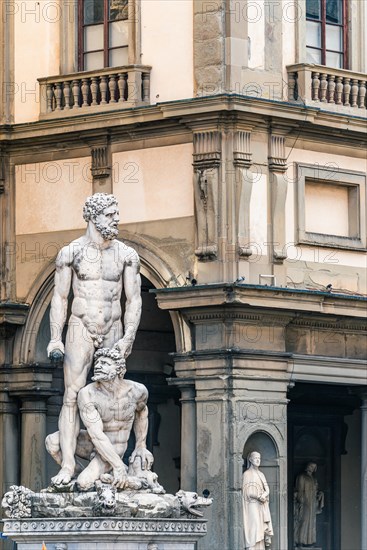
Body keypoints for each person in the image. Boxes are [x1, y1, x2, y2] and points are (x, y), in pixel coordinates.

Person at [46, 193, 142, 487]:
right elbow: (60, 298)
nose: (116, 218)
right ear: (93, 216)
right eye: (110, 213)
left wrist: (128, 337)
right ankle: (69, 464)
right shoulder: (70, 253)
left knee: (114, 393)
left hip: (113, 324)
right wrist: (55, 338)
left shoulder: (126, 255)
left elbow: (134, 300)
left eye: (116, 213)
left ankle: (114, 461)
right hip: (80, 326)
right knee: (72, 396)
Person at [46, 347, 154, 490]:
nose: (98, 366)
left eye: (105, 363)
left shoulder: (137, 391)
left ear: (118, 369)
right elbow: (96, 435)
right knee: (52, 442)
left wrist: (141, 446)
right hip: (94, 442)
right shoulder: (88, 394)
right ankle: (78, 472)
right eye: (97, 363)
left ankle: (125, 479)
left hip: (116, 446)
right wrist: (118, 465)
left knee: (84, 483)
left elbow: (142, 412)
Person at [242, 451, 273, 550]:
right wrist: (257, 496)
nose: (258, 460)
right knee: (254, 525)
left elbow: (267, 489)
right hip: (251, 504)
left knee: (260, 527)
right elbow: (246, 492)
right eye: (255, 458)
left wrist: (264, 495)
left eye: (259, 458)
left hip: (261, 505)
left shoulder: (261, 474)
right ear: (250, 459)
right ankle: (251, 547)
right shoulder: (246, 474)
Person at [294, 462, 324, 547]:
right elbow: (299, 489)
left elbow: (316, 490)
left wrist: (319, 494)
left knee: (312, 523)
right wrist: (301, 500)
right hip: (305, 502)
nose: (311, 468)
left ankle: (310, 542)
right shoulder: (301, 477)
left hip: (312, 502)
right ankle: (300, 540)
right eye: (310, 466)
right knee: (304, 521)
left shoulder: (314, 479)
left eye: (313, 467)